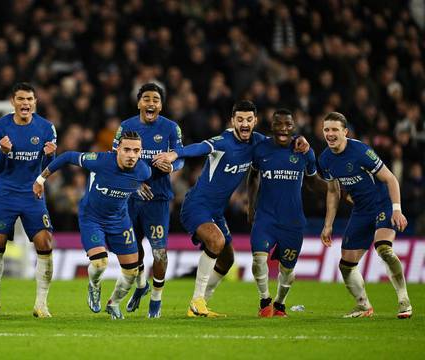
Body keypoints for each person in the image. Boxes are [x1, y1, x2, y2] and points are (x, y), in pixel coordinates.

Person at [153, 100, 308, 317]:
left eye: (248, 119)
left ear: (255, 121)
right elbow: (200, 147)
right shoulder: (224, 141)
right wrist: (175, 154)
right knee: (216, 241)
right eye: (240, 119)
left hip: (216, 212)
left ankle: (200, 304)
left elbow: (280, 143)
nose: (244, 124)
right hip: (197, 206)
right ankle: (197, 300)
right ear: (233, 121)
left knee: (227, 260)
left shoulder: (258, 142)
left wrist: (300, 141)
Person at [34, 131, 152, 320]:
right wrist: (41, 179)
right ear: (117, 149)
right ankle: (94, 286)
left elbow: (131, 183)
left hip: (120, 221)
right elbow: (67, 157)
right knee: (100, 262)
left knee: (131, 272)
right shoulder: (100, 160)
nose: (131, 155)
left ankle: (113, 303)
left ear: (141, 152)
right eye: (127, 149)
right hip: (92, 218)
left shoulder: (144, 171)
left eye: (136, 151)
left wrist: (137, 187)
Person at [318, 112, 412, 319]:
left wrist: (396, 208)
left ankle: (404, 301)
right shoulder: (324, 159)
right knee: (346, 265)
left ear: (345, 132)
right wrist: (328, 225)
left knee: (384, 249)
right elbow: (333, 192)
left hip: (382, 204)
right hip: (361, 211)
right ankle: (363, 306)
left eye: (335, 129)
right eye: (326, 129)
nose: (330, 134)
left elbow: (390, 179)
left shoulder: (360, 151)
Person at [112, 83, 183, 318]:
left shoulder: (171, 128)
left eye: (156, 100)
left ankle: (156, 298)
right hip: (130, 198)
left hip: (158, 199)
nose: (151, 103)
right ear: (139, 103)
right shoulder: (126, 127)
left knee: (159, 252)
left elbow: (180, 157)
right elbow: (116, 160)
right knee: (133, 250)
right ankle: (141, 285)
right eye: (147, 99)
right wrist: (134, 183)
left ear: (161, 105)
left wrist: (172, 165)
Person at [0, 82, 56, 319]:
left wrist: (50, 156)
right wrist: (4, 152)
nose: (25, 103)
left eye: (29, 99)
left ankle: (41, 304)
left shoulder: (47, 128)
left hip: (32, 193)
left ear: (35, 102)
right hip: (5, 192)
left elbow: (47, 168)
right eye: (21, 99)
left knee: (45, 243)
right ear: (12, 102)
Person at [246, 109, 325, 317]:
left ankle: (280, 304)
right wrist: (251, 206)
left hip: (292, 221)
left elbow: (312, 182)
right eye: (278, 124)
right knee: (258, 259)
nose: (283, 129)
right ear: (271, 126)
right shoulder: (261, 149)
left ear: (294, 126)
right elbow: (253, 177)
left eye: (288, 125)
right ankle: (264, 301)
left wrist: (338, 193)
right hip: (266, 218)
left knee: (287, 270)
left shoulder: (304, 151)